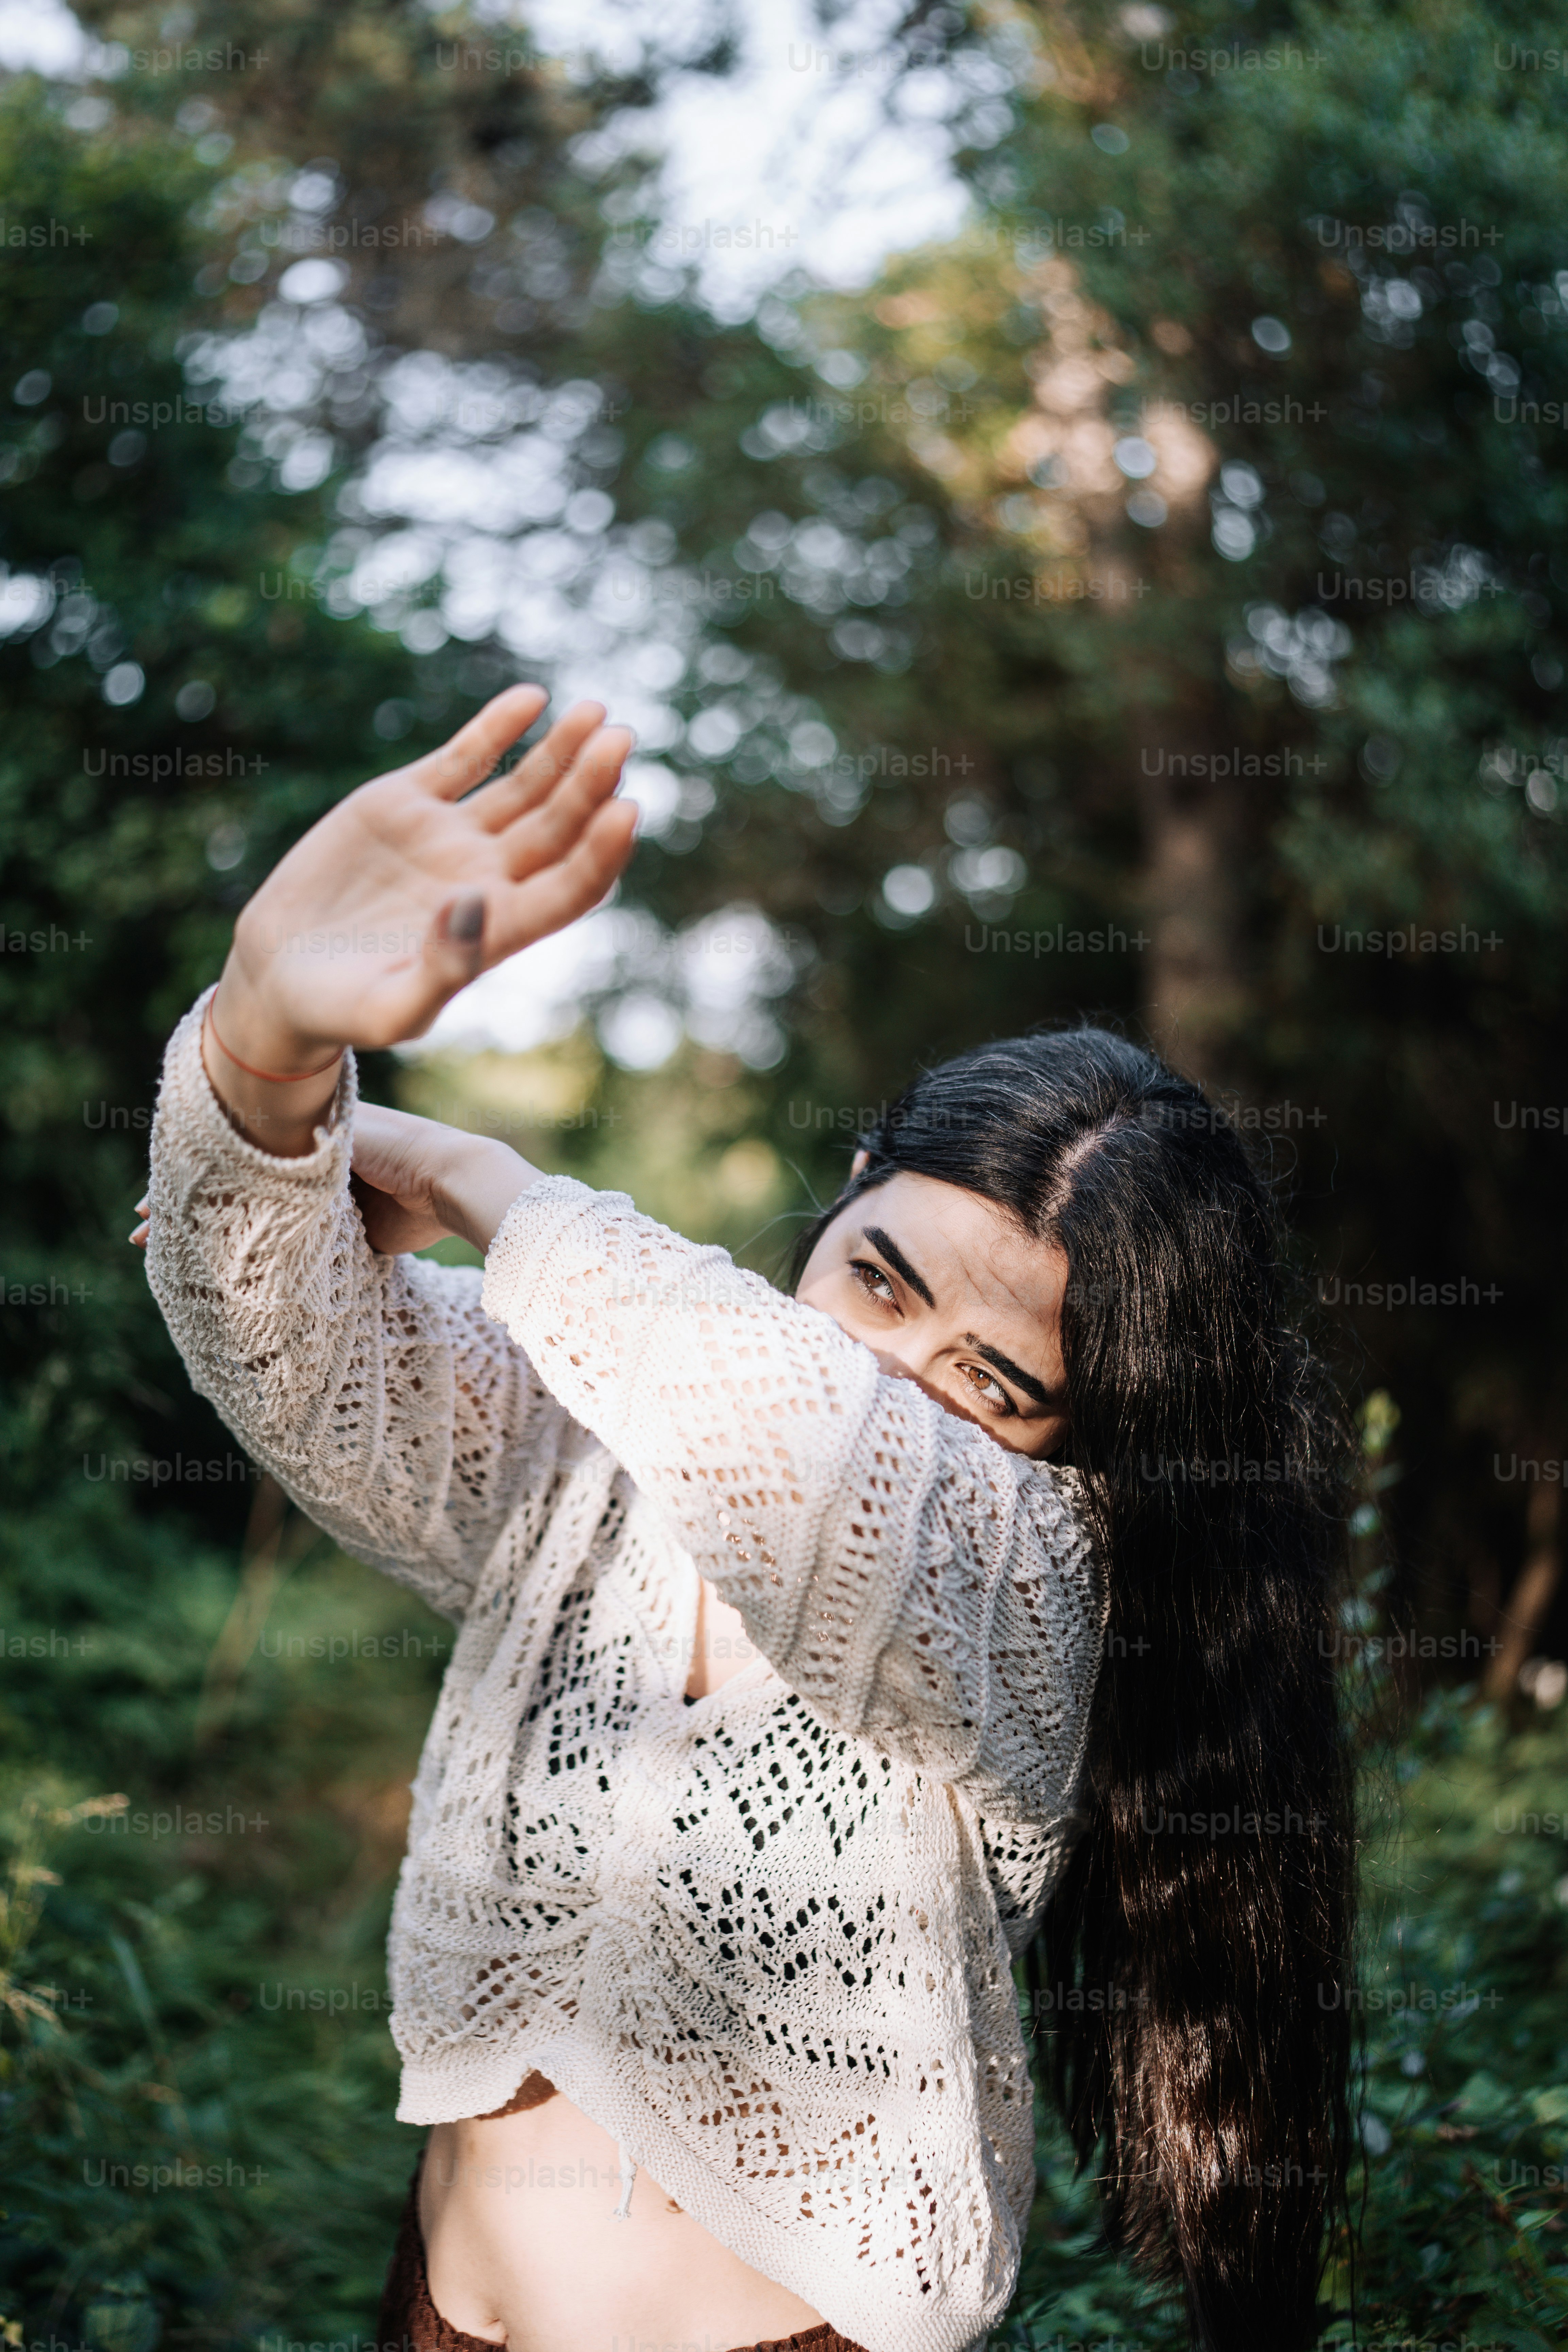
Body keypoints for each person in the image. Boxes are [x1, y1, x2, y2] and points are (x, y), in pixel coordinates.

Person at [137, 687, 1355, 2352]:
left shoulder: (1030, 1584)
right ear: (849, 1180)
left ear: (1085, 1441)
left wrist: (501, 1188)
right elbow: (287, 1349)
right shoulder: (597, 1444)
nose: (897, 1375)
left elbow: (819, 1457)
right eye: (877, 1276)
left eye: (991, 1382)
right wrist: (269, 1047)